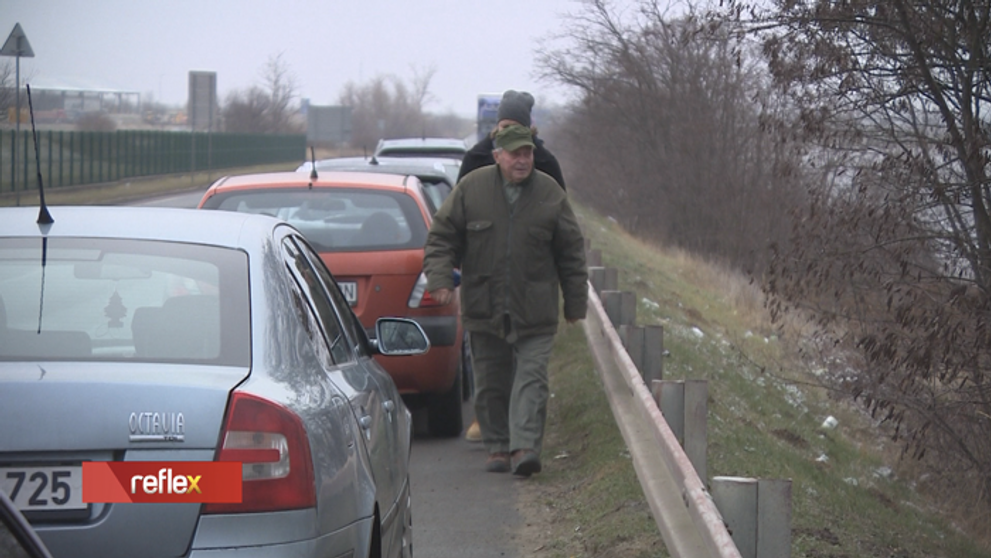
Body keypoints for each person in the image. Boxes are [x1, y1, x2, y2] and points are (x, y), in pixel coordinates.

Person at [423, 124, 588, 477]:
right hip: (485, 303)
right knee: (490, 380)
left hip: (536, 306)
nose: (523, 160)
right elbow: (441, 237)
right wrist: (439, 279)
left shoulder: (550, 194)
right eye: (515, 154)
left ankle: (525, 447)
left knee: (532, 379)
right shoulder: (472, 189)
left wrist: (575, 304)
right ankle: (498, 445)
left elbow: (571, 252)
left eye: (527, 153)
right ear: (498, 156)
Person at [460, 90, 568, 443]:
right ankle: (492, 425)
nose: (508, 133)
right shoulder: (475, 160)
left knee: (529, 365)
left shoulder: (547, 165)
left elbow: (562, 223)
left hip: (530, 282)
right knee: (489, 361)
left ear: (529, 128)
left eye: (516, 127)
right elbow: (456, 218)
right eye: (503, 126)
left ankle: (522, 438)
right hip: (485, 280)